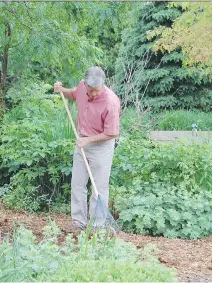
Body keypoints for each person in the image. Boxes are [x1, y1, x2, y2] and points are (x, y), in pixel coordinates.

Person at [54, 66, 120, 231]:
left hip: (101, 146)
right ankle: (78, 223)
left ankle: (97, 226)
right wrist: (60, 89)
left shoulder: (111, 102)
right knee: (77, 184)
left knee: (99, 187)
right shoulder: (82, 86)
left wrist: (88, 140)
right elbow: (74, 94)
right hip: (82, 141)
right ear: (85, 84)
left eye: (96, 91)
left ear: (102, 85)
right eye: (90, 91)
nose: (93, 94)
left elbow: (112, 133)